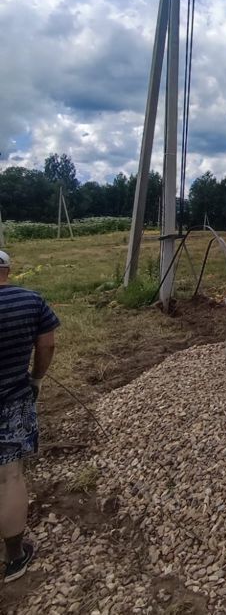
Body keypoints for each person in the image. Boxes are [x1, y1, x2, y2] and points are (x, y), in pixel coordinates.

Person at [0, 250, 59, 583]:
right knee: (9, 477)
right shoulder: (29, 300)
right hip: (12, 400)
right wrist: (35, 379)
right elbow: (47, 345)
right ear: (8, 270)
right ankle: (14, 557)